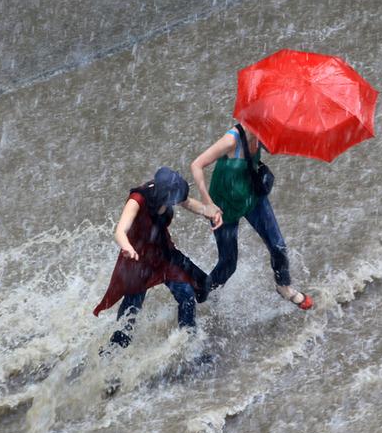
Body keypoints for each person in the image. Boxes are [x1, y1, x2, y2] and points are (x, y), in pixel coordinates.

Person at [94, 167, 223, 352]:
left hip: (163, 255)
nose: (177, 202)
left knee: (186, 294)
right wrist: (127, 247)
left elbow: (188, 202)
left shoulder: (168, 192)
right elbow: (120, 231)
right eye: (174, 199)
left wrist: (207, 210)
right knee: (131, 311)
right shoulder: (138, 200)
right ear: (164, 195)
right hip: (136, 260)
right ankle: (112, 352)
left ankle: (189, 343)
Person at [190, 123, 313, 310]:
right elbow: (196, 165)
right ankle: (202, 296)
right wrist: (207, 203)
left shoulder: (262, 134)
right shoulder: (231, 140)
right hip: (224, 207)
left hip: (252, 197)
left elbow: (273, 148)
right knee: (228, 264)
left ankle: (283, 286)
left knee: (278, 245)